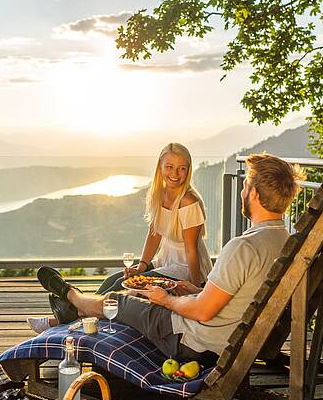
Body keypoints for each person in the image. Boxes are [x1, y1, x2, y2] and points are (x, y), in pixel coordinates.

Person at [34, 153, 303, 364]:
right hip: (224, 333)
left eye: (245, 187)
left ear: (254, 194)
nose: (243, 192)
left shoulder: (243, 247)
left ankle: (71, 297)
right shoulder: (285, 242)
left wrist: (168, 300)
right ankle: (72, 308)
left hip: (193, 341)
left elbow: (203, 312)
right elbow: (235, 296)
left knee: (118, 301)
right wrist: (195, 290)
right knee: (135, 292)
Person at [27, 142, 213, 333]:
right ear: (160, 167)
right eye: (170, 167)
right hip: (164, 262)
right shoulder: (160, 194)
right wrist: (142, 265)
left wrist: (195, 286)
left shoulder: (188, 201)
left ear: (188, 170)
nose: (175, 173)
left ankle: (59, 322)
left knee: (121, 293)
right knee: (111, 282)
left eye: (182, 168)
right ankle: (74, 313)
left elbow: (191, 250)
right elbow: (154, 234)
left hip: (184, 268)